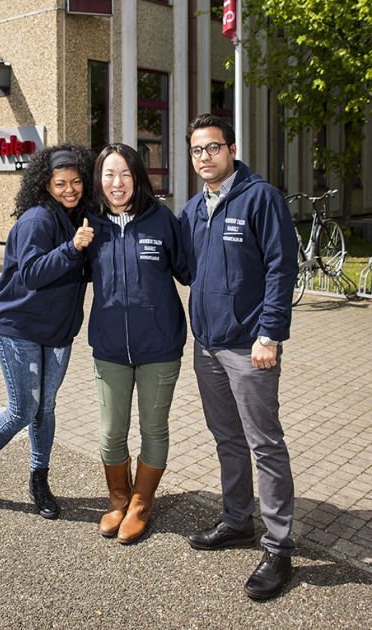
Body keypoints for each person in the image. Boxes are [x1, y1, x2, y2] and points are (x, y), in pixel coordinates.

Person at [178, 113, 298, 601]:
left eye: (213, 148)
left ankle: (278, 546)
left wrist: (270, 333)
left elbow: (280, 266)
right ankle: (237, 521)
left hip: (250, 348)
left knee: (264, 442)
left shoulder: (259, 198)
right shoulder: (192, 210)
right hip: (207, 344)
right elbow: (185, 269)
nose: (204, 157)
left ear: (231, 149)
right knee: (226, 438)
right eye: (196, 151)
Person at [0, 143, 95, 519]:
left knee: (45, 408)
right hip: (20, 329)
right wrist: (72, 248)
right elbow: (33, 274)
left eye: (76, 182)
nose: (70, 189)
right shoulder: (37, 220)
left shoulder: (78, 217)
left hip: (58, 332)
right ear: (45, 185)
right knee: (22, 410)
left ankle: (39, 479)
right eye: (60, 183)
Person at [85, 143, 190, 544]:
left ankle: (142, 503)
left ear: (138, 177)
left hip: (159, 347)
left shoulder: (162, 219)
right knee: (111, 433)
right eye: (109, 174)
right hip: (110, 347)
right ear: (99, 180)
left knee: (153, 429)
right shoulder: (90, 224)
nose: (117, 182)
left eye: (125, 173)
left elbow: (189, 270)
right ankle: (118, 499)